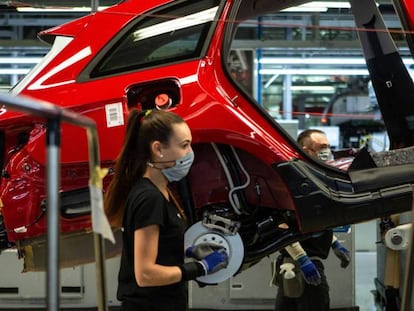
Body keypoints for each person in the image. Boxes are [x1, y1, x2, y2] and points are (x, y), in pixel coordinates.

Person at [104, 109, 229, 311]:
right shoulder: (149, 198)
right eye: (184, 146)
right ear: (158, 149)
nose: (190, 153)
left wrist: (188, 250)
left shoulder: (162, 192)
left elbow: (159, 245)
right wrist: (200, 268)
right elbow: (145, 275)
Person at [274, 129, 351, 311]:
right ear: (305, 150)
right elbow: (283, 226)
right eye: (322, 147)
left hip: (296, 264)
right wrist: (302, 259)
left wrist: (334, 243)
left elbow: (311, 221)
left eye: (328, 146)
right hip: (301, 264)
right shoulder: (295, 181)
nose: (327, 151)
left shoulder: (314, 177)